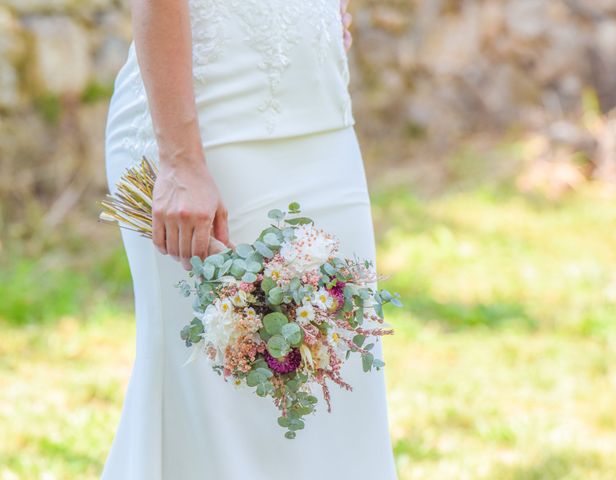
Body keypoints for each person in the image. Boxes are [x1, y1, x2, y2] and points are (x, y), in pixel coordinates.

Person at [102, 0, 397, 478]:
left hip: (324, 126)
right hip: (210, 132)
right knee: (223, 409)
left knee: (342, 395)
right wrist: (181, 161)